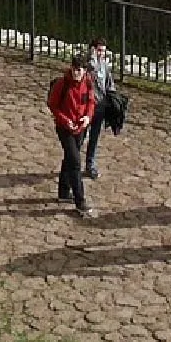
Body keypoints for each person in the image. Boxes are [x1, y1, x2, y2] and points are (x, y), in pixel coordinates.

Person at [47, 51, 96, 218]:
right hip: (65, 128)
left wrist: (87, 118)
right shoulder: (62, 84)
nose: (77, 73)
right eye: (75, 69)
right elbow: (53, 105)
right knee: (75, 162)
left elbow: (90, 102)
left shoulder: (88, 83)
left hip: (80, 127)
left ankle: (63, 191)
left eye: (80, 69)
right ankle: (80, 200)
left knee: (70, 157)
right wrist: (64, 119)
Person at [83, 35, 116, 180]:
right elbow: (90, 68)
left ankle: (90, 165)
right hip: (86, 106)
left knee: (94, 137)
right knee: (81, 135)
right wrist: (91, 57)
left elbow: (109, 83)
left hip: (100, 106)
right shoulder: (88, 64)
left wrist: (113, 98)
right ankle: (74, 163)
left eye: (103, 51)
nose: (101, 53)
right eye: (98, 50)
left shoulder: (104, 65)